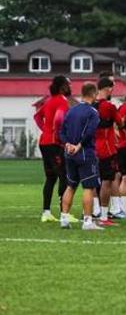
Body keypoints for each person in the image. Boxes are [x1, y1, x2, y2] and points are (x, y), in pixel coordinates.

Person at [59, 82, 103, 230]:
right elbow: (89, 132)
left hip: (69, 154)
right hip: (85, 154)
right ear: (93, 94)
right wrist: (78, 145)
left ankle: (64, 218)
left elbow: (62, 131)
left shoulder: (71, 110)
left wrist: (67, 144)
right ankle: (87, 221)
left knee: (70, 186)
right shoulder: (93, 112)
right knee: (88, 188)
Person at [34, 75, 71, 222]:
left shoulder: (49, 101)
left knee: (51, 177)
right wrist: (59, 135)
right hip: (54, 144)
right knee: (64, 177)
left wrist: (45, 130)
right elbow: (59, 120)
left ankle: (46, 212)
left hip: (44, 142)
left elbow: (37, 116)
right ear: (62, 86)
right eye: (68, 85)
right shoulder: (62, 101)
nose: (70, 87)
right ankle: (64, 212)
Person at [93, 77, 120, 225]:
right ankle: (103, 216)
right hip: (107, 148)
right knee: (107, 181)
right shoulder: (109, 106)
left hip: (91, 148)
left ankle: (91, 213)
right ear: (108, 88)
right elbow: (120, 122)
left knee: (90, 182)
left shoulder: (90, 105)